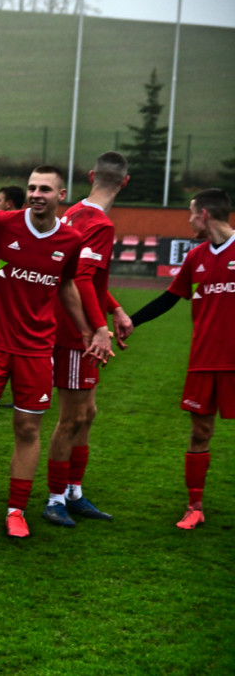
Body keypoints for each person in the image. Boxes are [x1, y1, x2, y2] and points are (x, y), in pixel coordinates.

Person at [0, 166, 112, 538]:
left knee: (27, 429)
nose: (37, 194)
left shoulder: (69, 238)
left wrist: (88, 329)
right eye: (32, 187)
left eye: (45, 189)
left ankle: (16, 510)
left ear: (61, 196)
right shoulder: (3, 223)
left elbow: (68, 284)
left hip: (37, 351)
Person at [128, 188, 234, 530]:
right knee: (200, 433)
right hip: (203, 360)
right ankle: (195, 505)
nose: (188, 220)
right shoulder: (196, 257)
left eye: (190, 213)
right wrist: (133, 320)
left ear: (204, 214)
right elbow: (170, 298)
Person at [42, 152, 134, 527]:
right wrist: (97, 327)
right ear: (125, 183)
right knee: (72, 417)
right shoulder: (99, 223)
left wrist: (115, 309)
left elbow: (89, 278)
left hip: (59, 321)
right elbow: (80, 278)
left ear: (92, 175)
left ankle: (73, 492)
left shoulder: (74, 212)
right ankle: (54, 499)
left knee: (87, 413)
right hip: (71, 331)